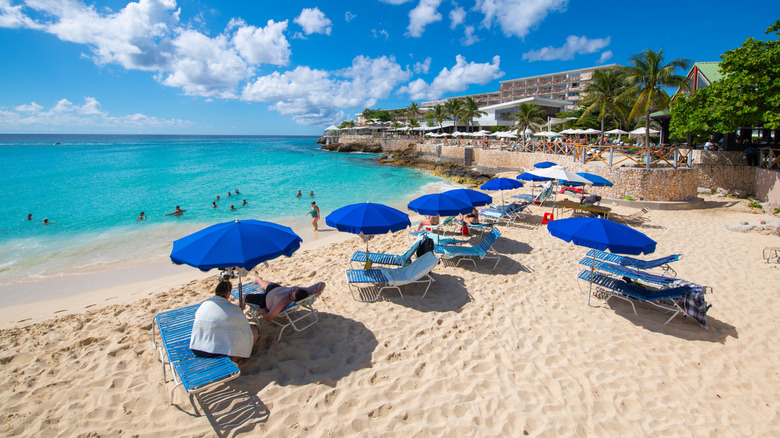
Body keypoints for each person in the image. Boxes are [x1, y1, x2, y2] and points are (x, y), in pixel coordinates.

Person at [190, 279, 259, 361]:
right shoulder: (233, 309)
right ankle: (236, 359)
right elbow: (245, 329)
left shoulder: (205, 304)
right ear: (228, 293)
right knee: (253, 330)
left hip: (197, 349)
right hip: (215, 352)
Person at [243, 276, 326, 321]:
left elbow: (268, 317)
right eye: (292, 290)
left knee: (244, 297)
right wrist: (319, 289)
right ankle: (258, 279)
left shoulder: (282, 301)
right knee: (265, 284)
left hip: (265, 299)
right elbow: (322, 283)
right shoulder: (305, 291)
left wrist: (263, 311)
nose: (289, 292)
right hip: (276, 288)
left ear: (294, 300)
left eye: (291, 295)